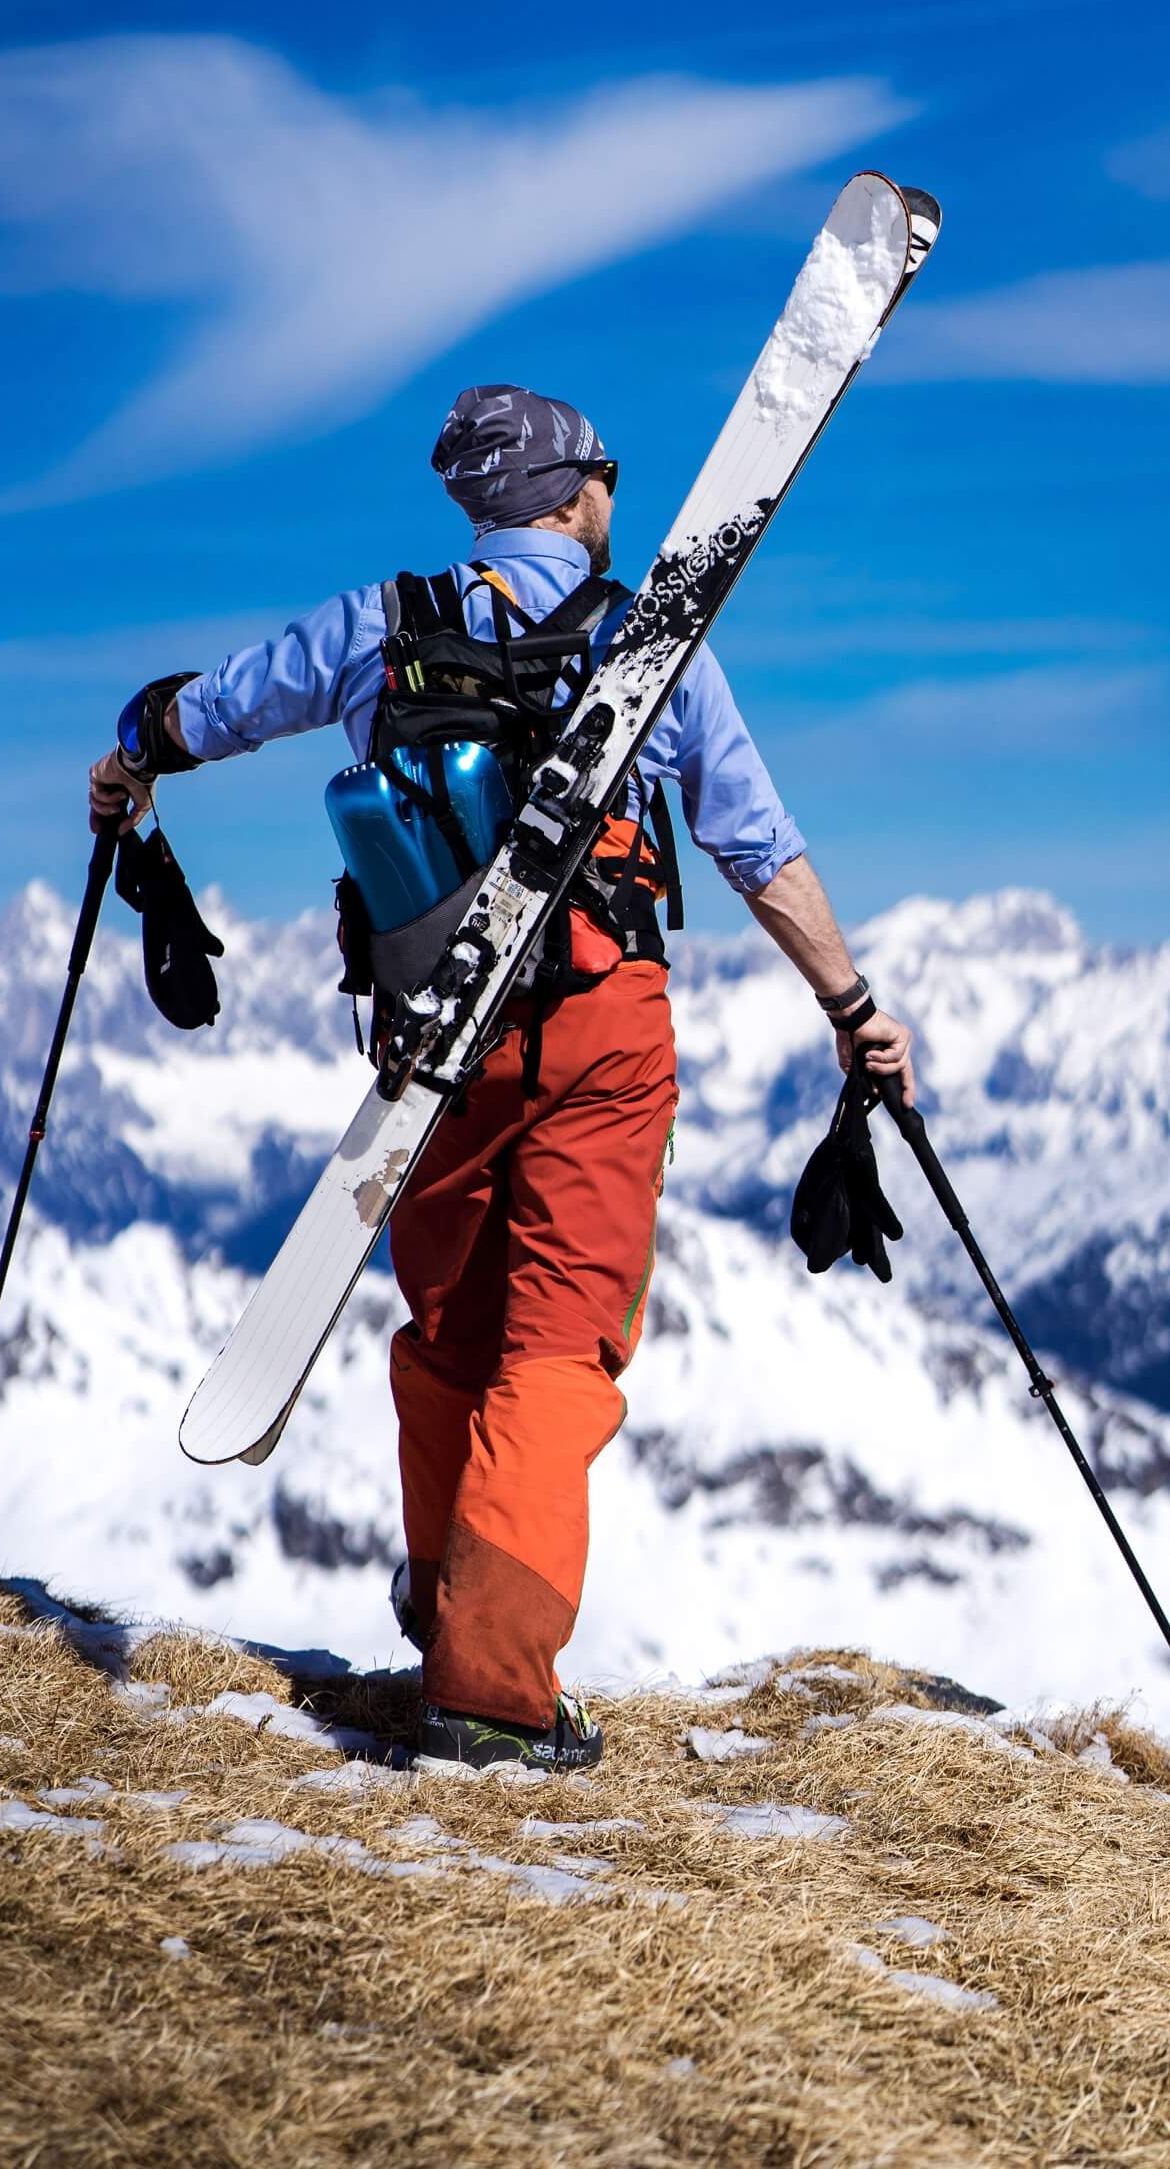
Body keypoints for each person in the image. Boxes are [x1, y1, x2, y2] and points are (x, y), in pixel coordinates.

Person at [89, 385, 917, 1770]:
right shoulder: (654, 644)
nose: (612, 496)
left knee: (455, 1327)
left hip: (433, 1045)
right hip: (601, 1017)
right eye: (602, 474)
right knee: (557, 1344)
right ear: (571, 494)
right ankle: (492, 1689)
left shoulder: (380, 624)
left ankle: (446, 1602)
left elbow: (210, 711)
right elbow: (757, 844)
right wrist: (852, 1004)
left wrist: (136, 746)